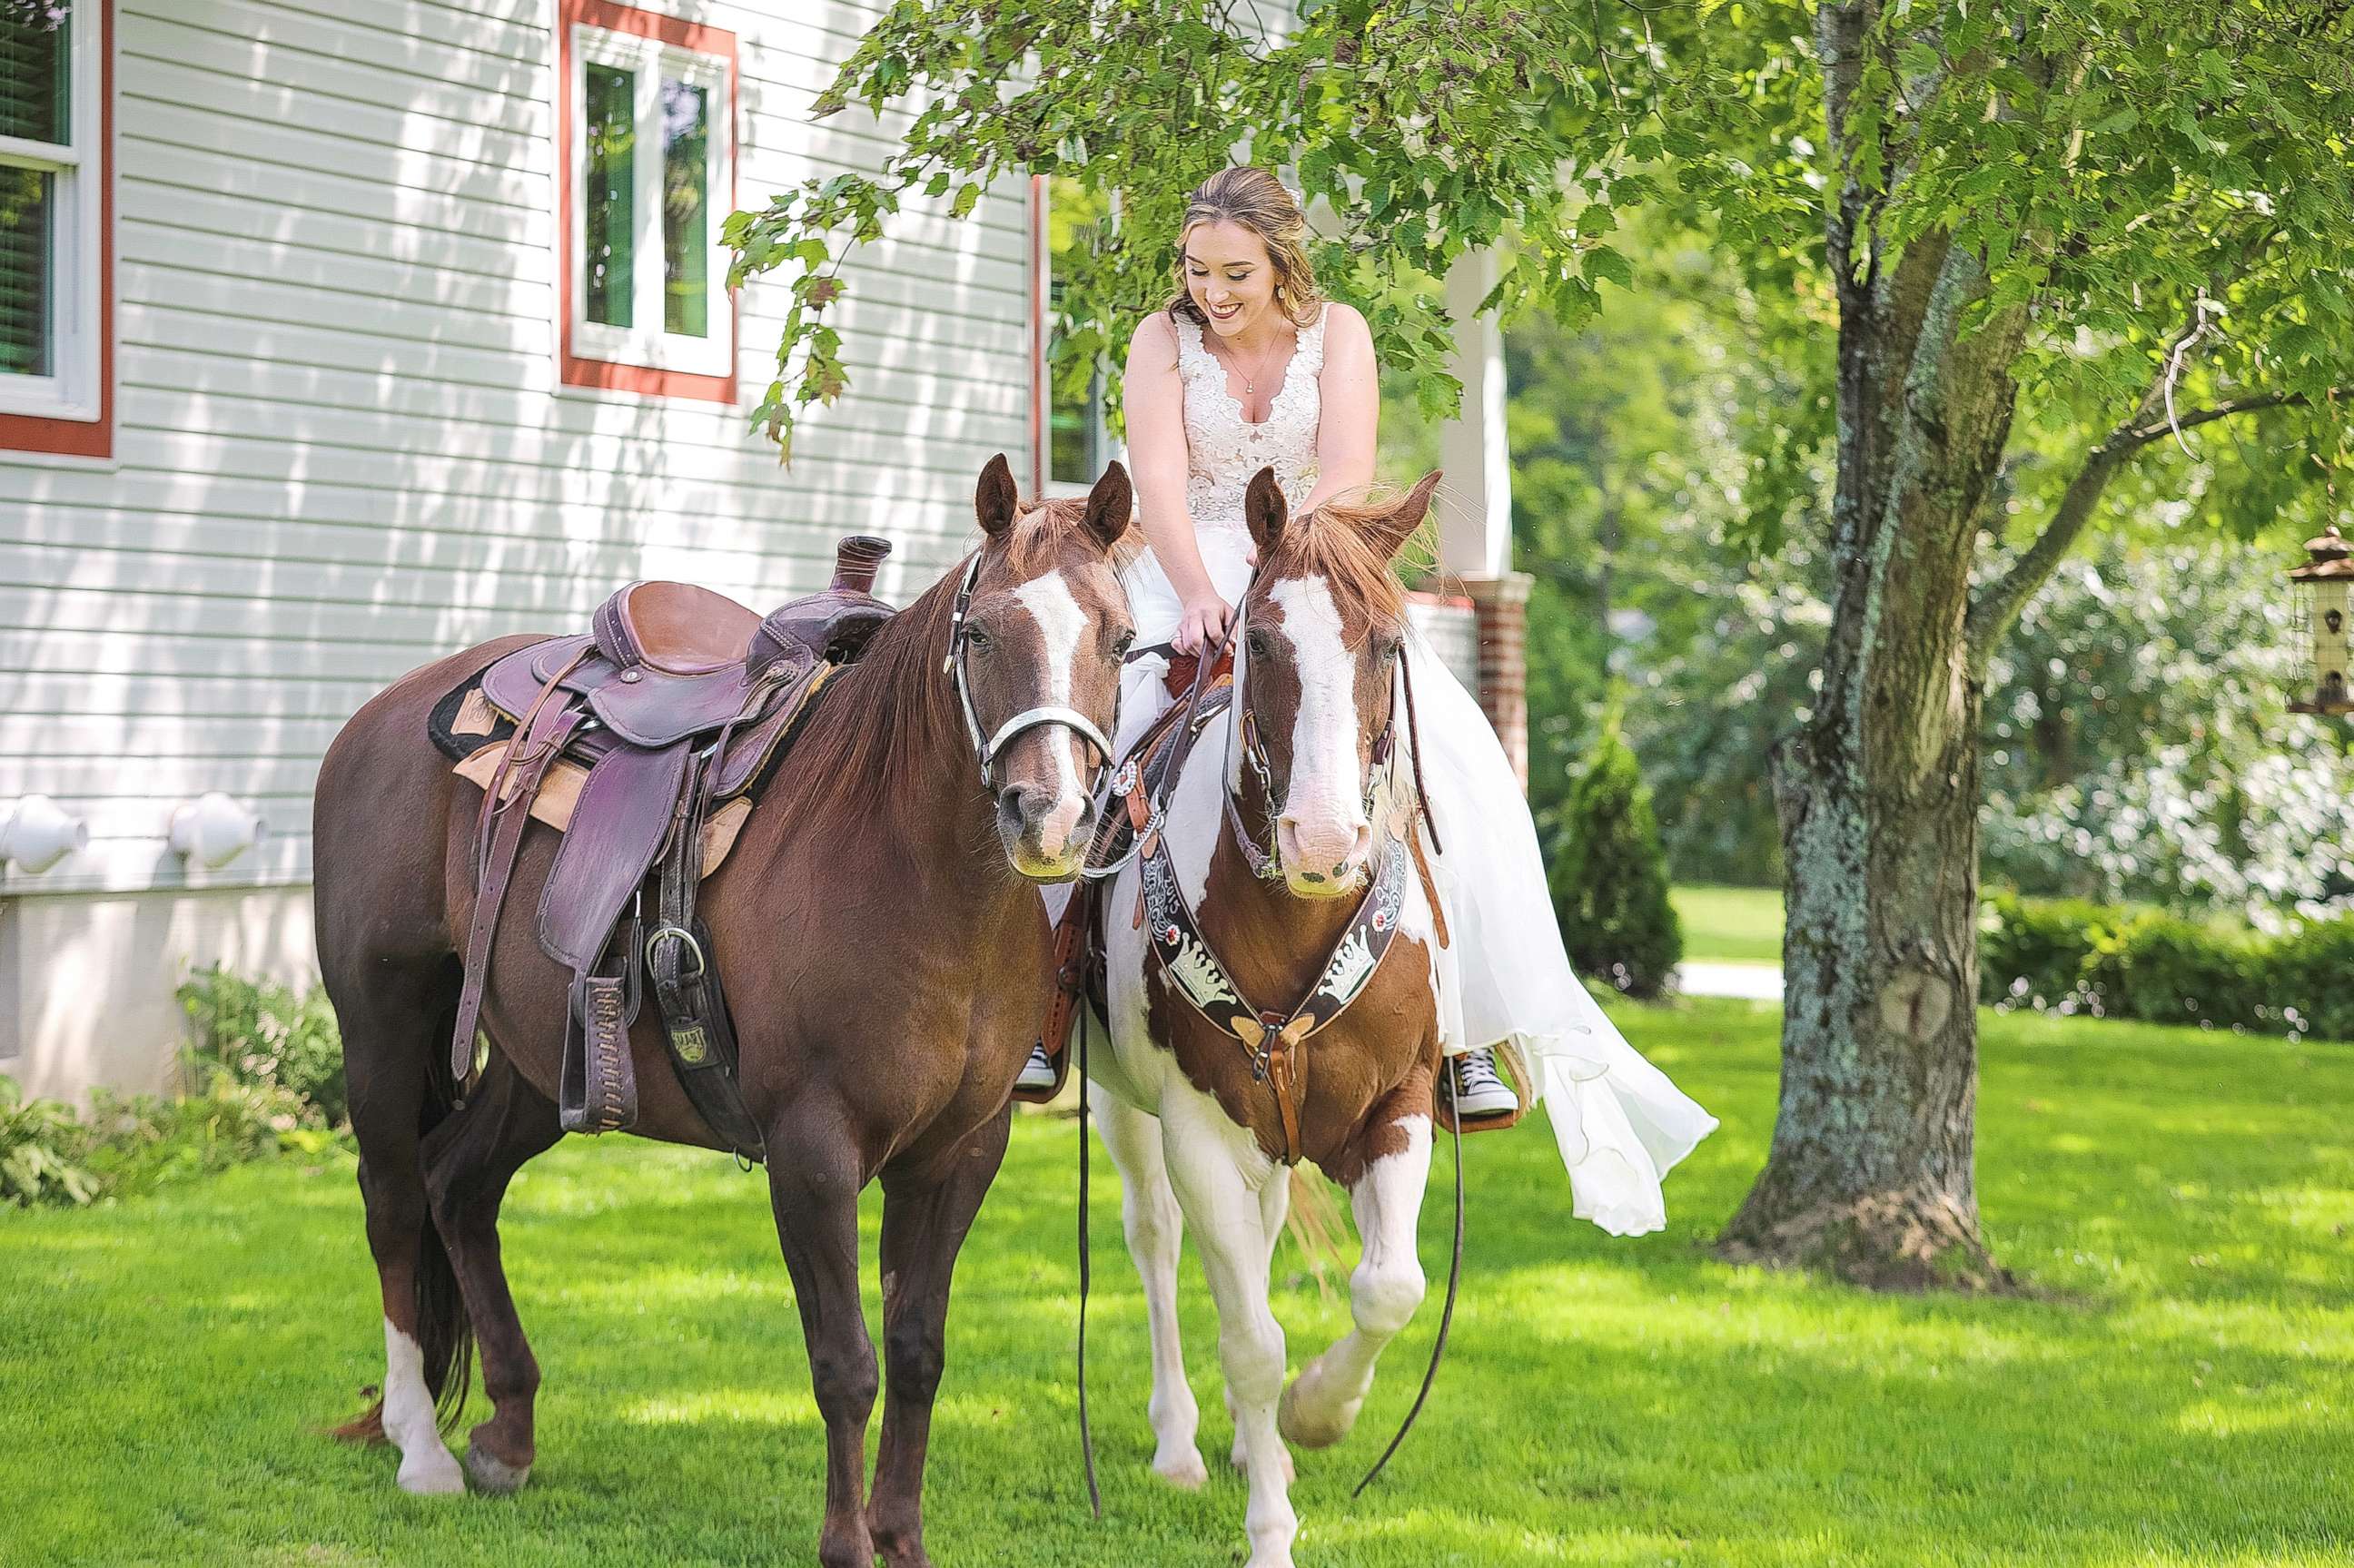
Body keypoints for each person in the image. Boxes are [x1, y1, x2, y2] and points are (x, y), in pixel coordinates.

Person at [1018, 165, 1715, 1234]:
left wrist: (1284, 585)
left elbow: (1342, 477)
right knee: (1092, 738)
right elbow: (1156, 481)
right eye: (1197, 271)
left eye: (1235, 272)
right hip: (1183, 569)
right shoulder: (1160, 342)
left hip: (1308, 568)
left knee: (1447, 746)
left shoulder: (1340, 335)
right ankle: (1051, 997)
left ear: (1284, 259)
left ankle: (1465, 1028)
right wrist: (1202, 597)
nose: (1212, 291)